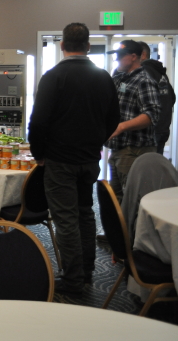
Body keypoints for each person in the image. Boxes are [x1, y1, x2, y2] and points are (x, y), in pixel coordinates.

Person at [28, 22, 120, 296]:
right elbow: (113, 119)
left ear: (62, 45)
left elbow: (39, 122)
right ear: (88, 46)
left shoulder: (53, 77)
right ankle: (88, 272)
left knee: (65, 220)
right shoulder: (104, 77)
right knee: (85, 214)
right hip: (90, 159)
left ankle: (73, 281)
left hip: (60, 160)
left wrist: (39, 154)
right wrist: (97, 143)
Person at [104, 40, 161, 205]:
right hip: (118, 150)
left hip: (134, 150)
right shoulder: (121, 78)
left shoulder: (144, 81)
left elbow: (152, 115)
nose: (117, 60)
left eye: (121, 56)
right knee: (116, 199)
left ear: (134, 57)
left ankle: (133, 231)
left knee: (132, 200)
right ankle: (119, 231)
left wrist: (121, 127)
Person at [137, 41, 175, 155]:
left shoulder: (144, 72)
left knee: (145, 169)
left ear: (143, 55)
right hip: (163, 128)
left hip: (151, 130)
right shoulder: (161, 74)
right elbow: (172, 98)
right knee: (155, 167)